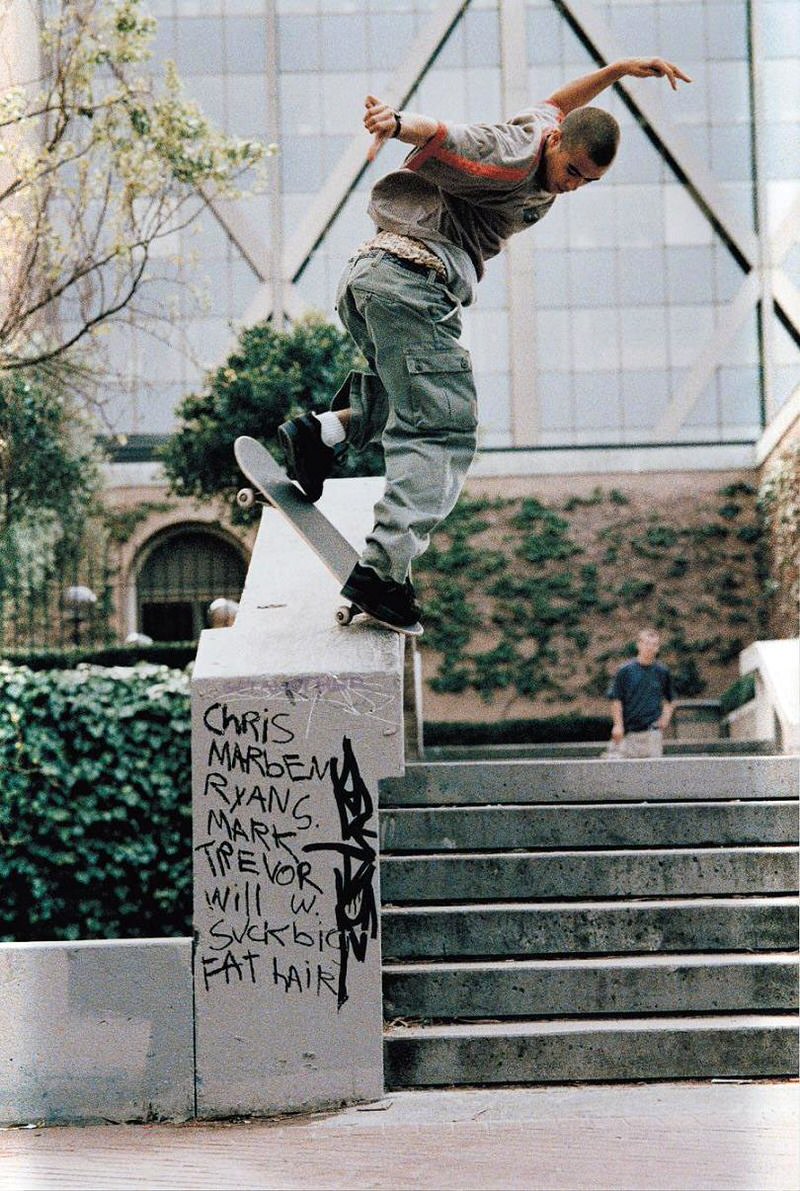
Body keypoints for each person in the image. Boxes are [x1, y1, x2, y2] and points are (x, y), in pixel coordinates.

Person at [278, 57, 691, 630]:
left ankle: (320, 435)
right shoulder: (512, 154)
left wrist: (618, 70)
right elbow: (449, 135)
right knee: (442, 427)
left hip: (372, 280)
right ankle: (381, 573)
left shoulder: (545, 131)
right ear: (553, 144)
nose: (569, 187)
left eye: (583, 183)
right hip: (413, 286)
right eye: (571, 170)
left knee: (412, 401)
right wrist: (396, 123)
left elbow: (560, 99)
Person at [607, 628, 675, 758]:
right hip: (628, 732)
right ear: (639, 644)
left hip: (652, 732)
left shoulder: (662, 671)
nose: (650, 647)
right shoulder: (625, 671)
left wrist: (665, 719)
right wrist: (618, 725)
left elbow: (670, 699)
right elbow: (616, 699)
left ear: (658, 648)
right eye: (647, 643)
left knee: (652, 773)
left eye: (654, 644)